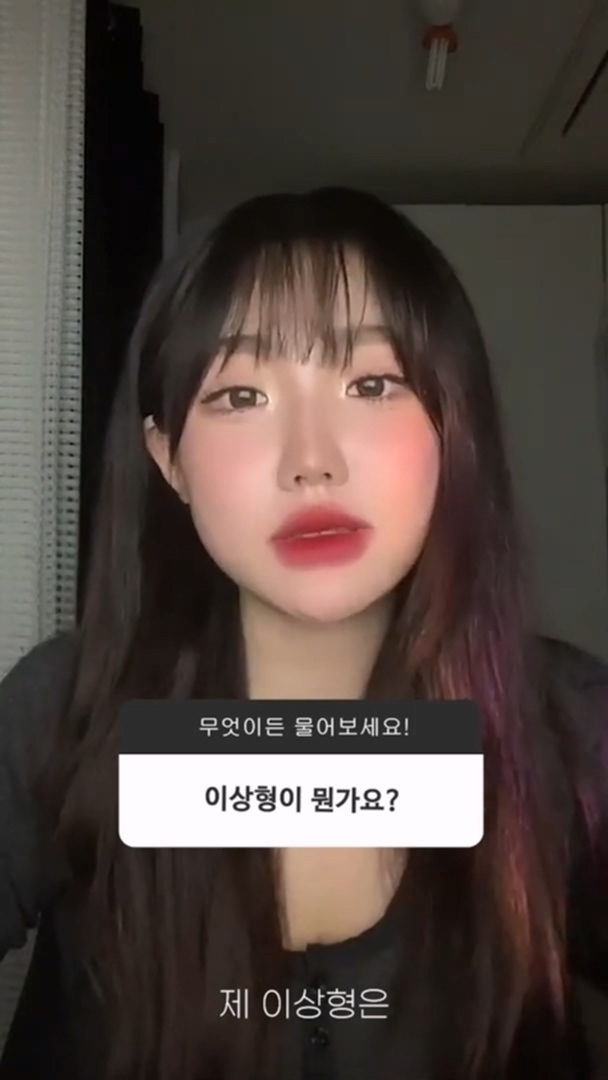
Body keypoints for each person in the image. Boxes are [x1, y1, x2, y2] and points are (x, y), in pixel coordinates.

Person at [0, 187, 606, 1080]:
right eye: (241, 394)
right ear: (168, 459)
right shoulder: (62, 711)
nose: (311, 459)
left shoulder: (573, 726)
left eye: (371, 384)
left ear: (453, 424)